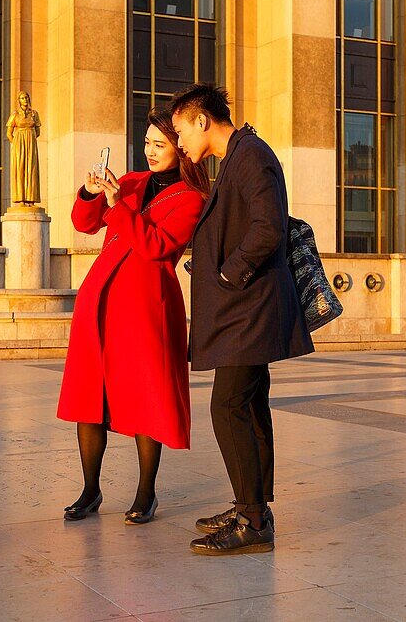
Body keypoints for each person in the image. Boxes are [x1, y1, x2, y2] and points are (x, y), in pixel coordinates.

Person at [171, 83, 314, 556]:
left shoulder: (251, 154)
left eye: (180, 131)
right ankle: (252, 507)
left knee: (228, 406)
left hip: (249, 310)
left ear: (201, 120)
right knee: (249, 409)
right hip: (244, 310)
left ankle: (252, 520)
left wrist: (231, 274)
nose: (179, 143)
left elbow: (268, 224)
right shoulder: (235, 156)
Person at [57, 106, 210, 524]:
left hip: (147, 307)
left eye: (160, 144)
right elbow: (84, 224)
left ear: (181, 148)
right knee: (88, 397)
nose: (150, 151)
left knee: (147, 397)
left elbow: (156, 246)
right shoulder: (130, 182)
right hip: (100, 299)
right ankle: (90, 490)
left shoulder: (193, 199)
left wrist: (116, 205)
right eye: (146, 142)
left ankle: (146, 493)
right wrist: (91, 193)